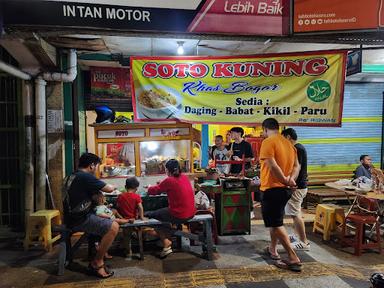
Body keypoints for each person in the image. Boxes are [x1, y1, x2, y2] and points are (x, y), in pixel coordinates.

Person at [64, 152, 119, 278]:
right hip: (79, 219)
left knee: (107, 218)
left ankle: (97, 251)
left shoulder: (71, 176)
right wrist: (115, 185)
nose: (96, 170)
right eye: (97, 166)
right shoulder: (86, 177)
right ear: (92, 165)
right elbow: (109, 188)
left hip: (70, 217)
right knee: (113, 226)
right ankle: (97, 262)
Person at [259, 118, 301, 272]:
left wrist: (284, 179)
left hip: (272, 189)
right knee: (275, 220)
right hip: (285, 190)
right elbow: (297, 166)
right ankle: (272, 249)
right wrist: (290, 180)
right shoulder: (289, 144)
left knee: (276, 224)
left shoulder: (268, 142)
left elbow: (271, 164)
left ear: (265, 129)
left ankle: (293, 257)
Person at [146, 159, 196, 258]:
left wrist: (149, 187)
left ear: (167, 170)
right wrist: (161, 183)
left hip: (179, 214)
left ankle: (166, 241)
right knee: (162, 214)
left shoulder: (169, 180)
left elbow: (154, 191)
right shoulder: (184, 177)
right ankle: (166, 241)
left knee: (152, 215)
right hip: (192, 212)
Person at [281, 128, 310, 251]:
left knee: (295, 214)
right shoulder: (298, 147)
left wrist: (292, 183)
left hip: (297, 187)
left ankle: (304, 242)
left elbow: (296, 168)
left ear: (288, 137)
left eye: (283, 138)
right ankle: (297, 235)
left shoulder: (297, 148)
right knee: (295, 213)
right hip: (299, 185)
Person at [92, 192, 129, 259]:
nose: (105, 199)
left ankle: (123, 219)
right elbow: (99, 213)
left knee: (115, 211)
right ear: (101, 200)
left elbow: (103, 209)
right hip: (109, 221)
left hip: (111, 218)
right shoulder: (99, 208)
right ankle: (127, 220)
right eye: (104, 198)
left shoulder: (101, 206)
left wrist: (108, 206)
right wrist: (107, 216)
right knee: (119, 221)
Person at [116, 176, 146, 258]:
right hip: (134, 220)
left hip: (124, 220)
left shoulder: (120, 196)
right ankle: (141, 246)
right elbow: (140, 207)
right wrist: (142, 217)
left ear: (125, 187)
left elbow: (118, 207)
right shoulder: (136, 196)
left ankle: (128, 251)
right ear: (136, 188)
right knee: (139, 230)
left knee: (126, 236)